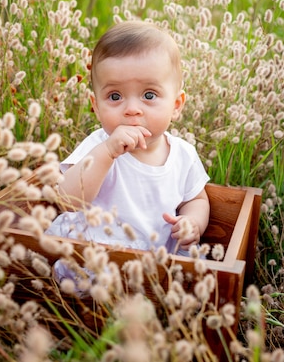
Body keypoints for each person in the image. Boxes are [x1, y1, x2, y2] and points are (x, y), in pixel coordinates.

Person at [46, 20, 210, 284]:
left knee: (194, 276)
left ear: (176, 105)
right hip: (99, 253)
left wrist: (193, 223)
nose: (132, 109)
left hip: (157, 258)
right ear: (96, 105)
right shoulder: (98, 145)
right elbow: (68, 200)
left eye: (148, 95)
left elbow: (197, 200)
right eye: (114, 97)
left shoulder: (183, 155)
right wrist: (107, 153)